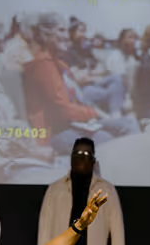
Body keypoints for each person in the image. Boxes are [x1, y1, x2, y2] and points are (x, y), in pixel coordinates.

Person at [22, 12, 138, 154]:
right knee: (109, 138)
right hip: (55, 133)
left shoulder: (57, 63)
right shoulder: (43, 65)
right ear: (45, 34)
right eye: (61, 30)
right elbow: (62, 110)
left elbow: (74, 96)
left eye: (66, 30)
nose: (66, 36)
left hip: (73, 124)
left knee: (129, 123)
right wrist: (94, 113)